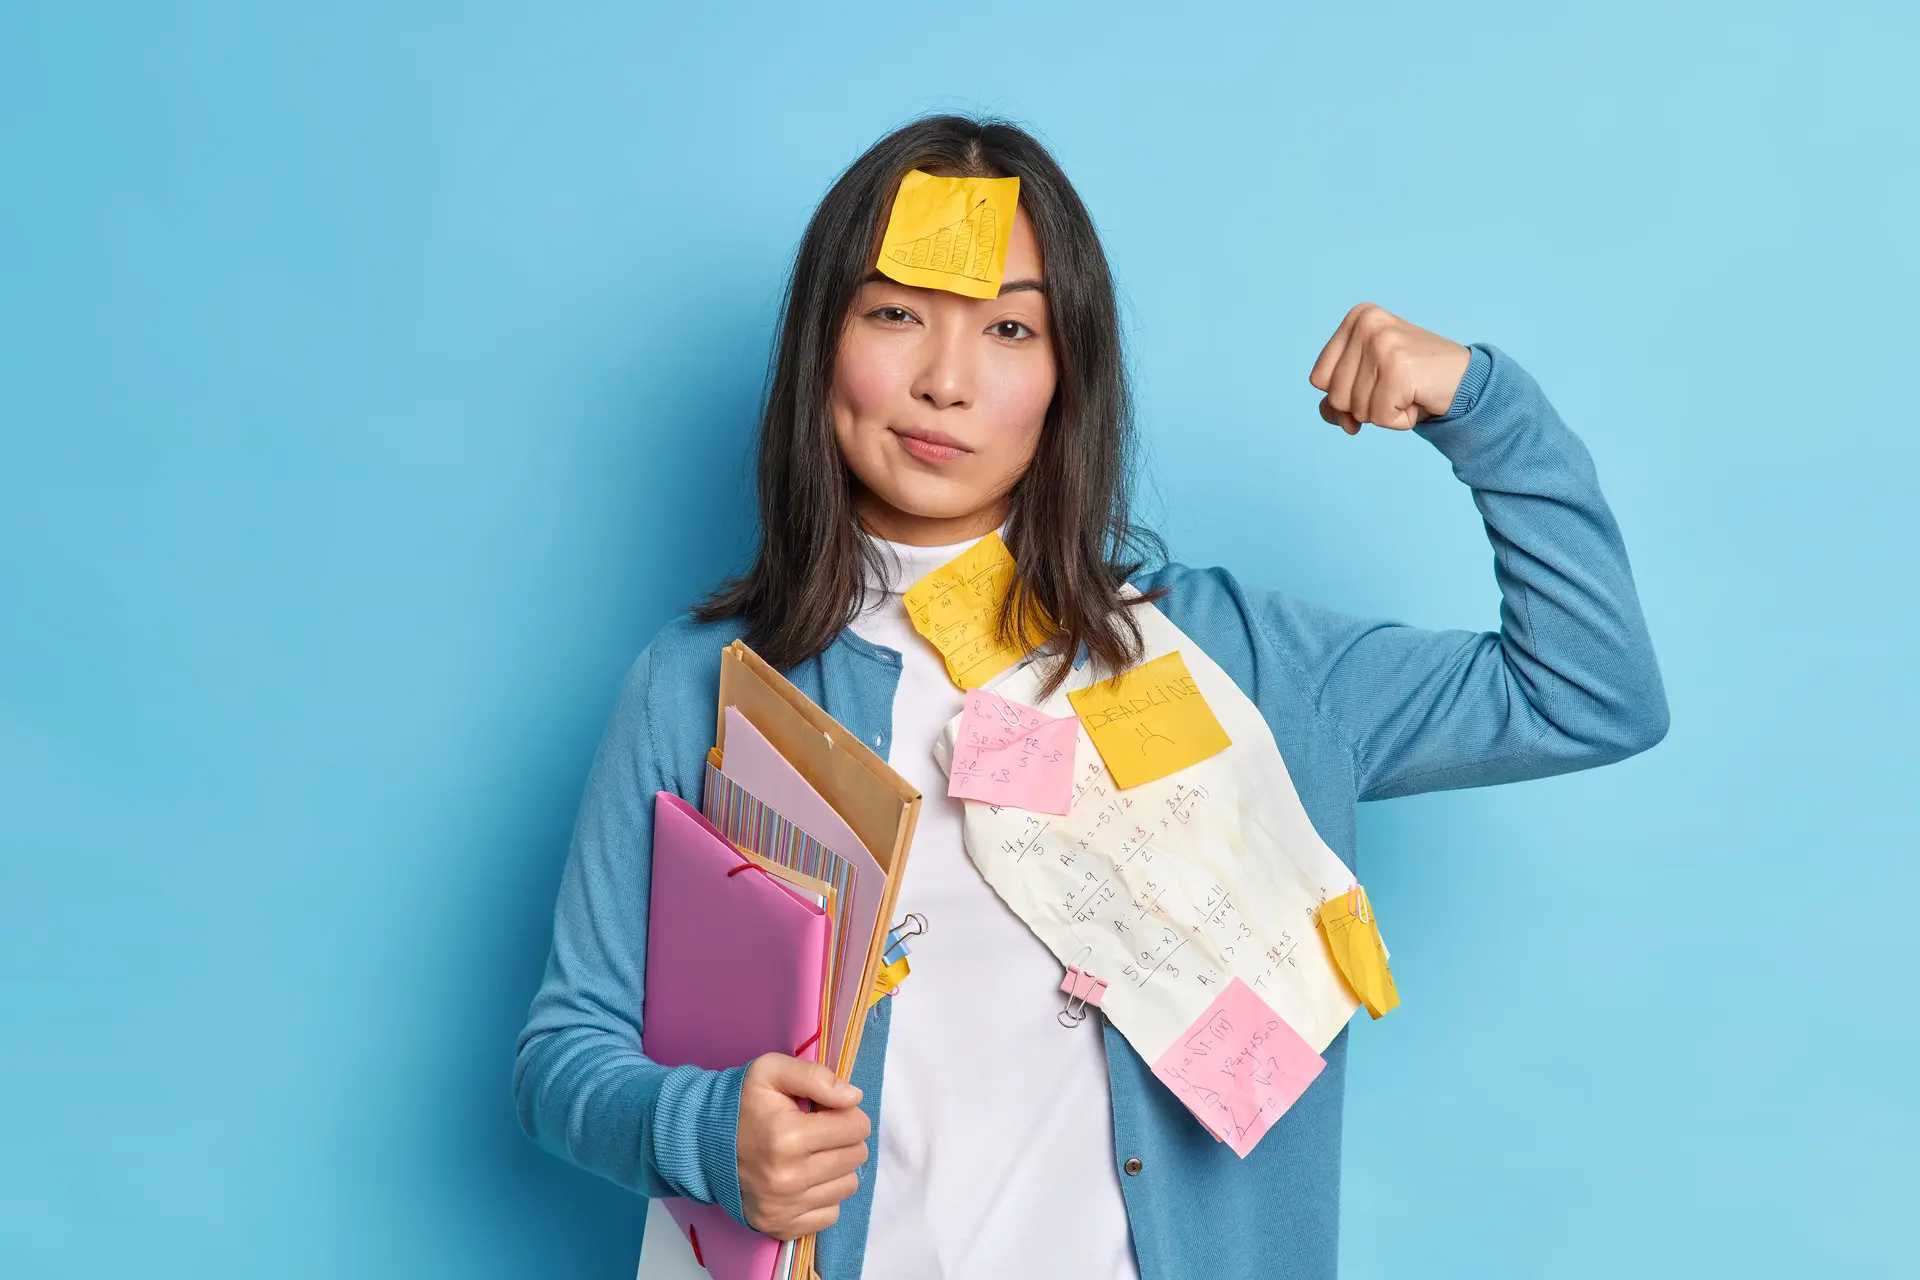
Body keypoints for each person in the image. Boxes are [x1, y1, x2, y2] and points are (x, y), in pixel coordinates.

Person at [514, 115, 1668, 1280]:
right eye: (896, 312)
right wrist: (708, 1133)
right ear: (824, 340)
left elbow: (1590, 690)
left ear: (1069, 378)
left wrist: (1485, 406)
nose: (946, 381)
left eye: (1011, 327)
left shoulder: (1232, 662)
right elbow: (565, 1053)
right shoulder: (706, 681)